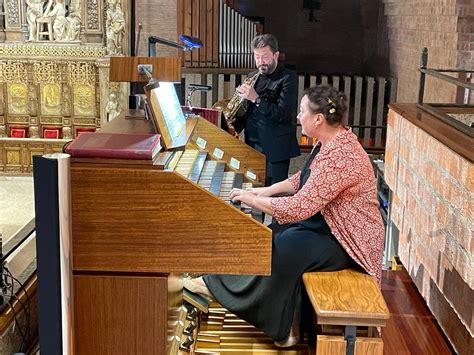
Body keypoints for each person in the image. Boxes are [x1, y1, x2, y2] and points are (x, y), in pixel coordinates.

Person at [184, 85, 385, 347]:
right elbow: (303, 179)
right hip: (331, 226)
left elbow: (299, 208)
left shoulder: (341, 156)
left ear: (318, 119)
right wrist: (266, 190)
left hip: (350, 242)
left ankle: (218, 288)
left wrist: (255, 199)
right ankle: (287, 323)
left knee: (284, 247)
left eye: (302, 111)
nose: (298, 117)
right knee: (278, 231)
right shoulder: (331, 141)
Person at [234, 34, 300, 186]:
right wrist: (234, 123)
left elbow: (282, 114)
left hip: (276, 149)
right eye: (257, 57)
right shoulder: (252, 76)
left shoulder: (288, 78)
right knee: (253, 189)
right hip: (252, 145)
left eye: (265, 57)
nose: (260, 62)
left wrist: (256, 99)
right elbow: (248, 112)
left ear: (275, 55)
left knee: (274, 196)